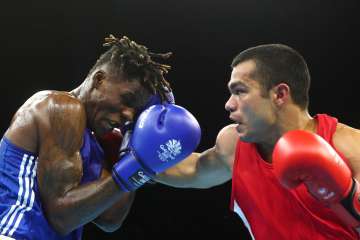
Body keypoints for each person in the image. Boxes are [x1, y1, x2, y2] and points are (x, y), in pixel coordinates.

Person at [0, 34, 201, 240]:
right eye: (127, 99)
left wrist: (129, 157)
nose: (129, 116)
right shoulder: (61, 107)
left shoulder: (98, 142)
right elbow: (61, 217)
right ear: (99, 79)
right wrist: (137, 167)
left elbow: (110, 219)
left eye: (137, 112)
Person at [155, 44, 360, 239]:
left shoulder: (351, 147)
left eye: (240, 91)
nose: (228, 104)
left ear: (279, 94)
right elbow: (193, 170)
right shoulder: (234, 145)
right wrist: (135, 158)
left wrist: (350, 200)